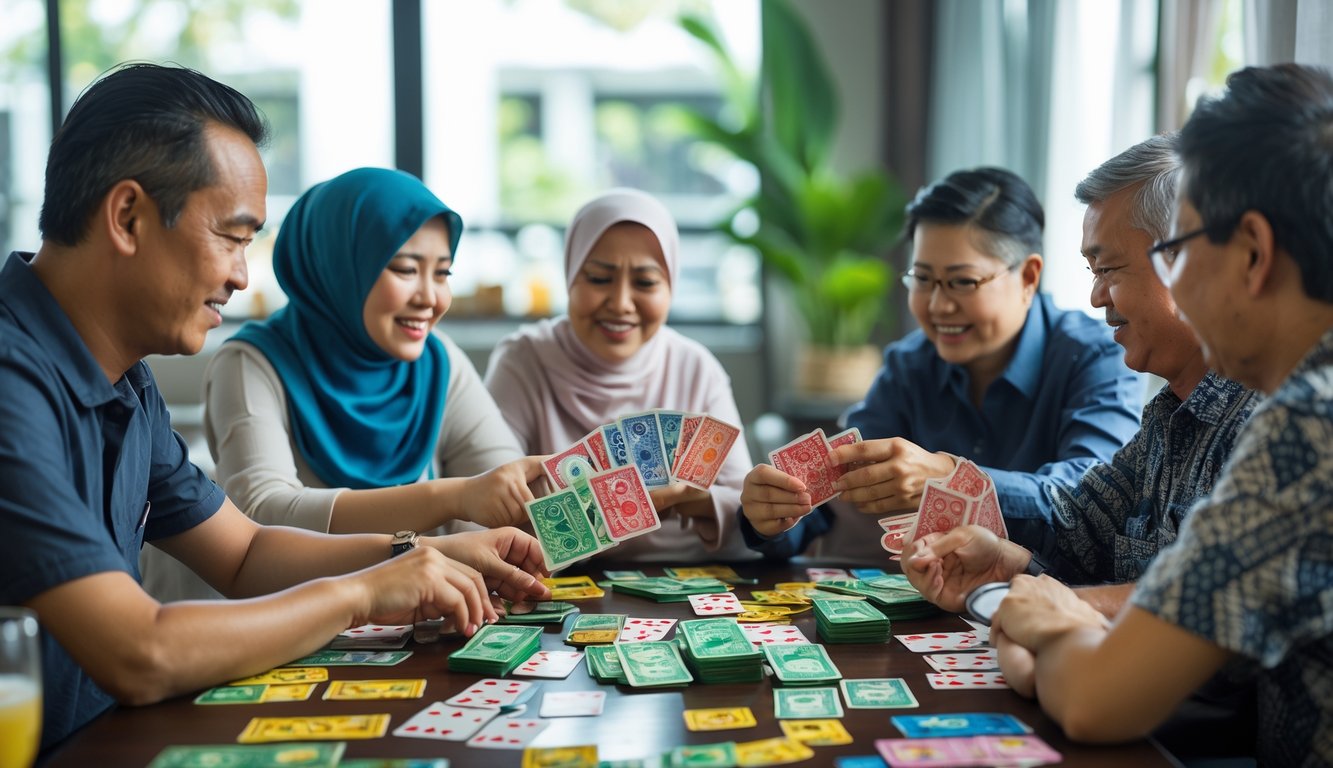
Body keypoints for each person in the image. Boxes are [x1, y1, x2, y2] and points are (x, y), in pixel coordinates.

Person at [0, 63, 548, 753]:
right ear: (129, 216)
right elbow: (140, 652)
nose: (240, 275)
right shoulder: (11, 380)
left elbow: (245, 551)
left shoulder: (127, 382)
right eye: (231, 237)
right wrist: (364, 593)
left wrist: (422, 552)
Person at [982, 64, 1333, 766]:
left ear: (1253, 252)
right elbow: (1084, 525)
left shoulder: (1308, 428)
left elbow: (1094, 700)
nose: (1172, 281)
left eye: (1175, 249)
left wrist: (1042, 632)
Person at [141, 167, 543, 602]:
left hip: (410, 622)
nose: (430, 298)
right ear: (337, 265)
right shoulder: (252, 363)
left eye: (442, 273)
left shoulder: (438, 362)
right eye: (406, 269)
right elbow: (263, 515)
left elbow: (505, 497)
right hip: (280, 622)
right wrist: (455, 497)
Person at [903, 135, 1259, 615]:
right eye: (1091, 271)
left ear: (1193, 264)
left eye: (1108, 269)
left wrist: (1052, 604)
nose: (1096, 297)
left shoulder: (1271, 419)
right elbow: (1079, 526)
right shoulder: (1168, 414)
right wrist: (1008, 567)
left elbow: (1218, 604)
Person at [741, 167, 1142, 562]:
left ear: (1028, 276)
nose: (937, 306)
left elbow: (1091, 499)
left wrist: (952, 478)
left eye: (962, 282)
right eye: (923, 279)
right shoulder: (911, 363)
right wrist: (771, 516)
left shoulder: (1099, 355)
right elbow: (824, 503)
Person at [484, 188, 757, 562]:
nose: (621, 303)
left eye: (645, 283)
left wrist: (693, 500)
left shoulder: (695, 366)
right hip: (556, 585)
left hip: (688, 580)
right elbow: (489, 504)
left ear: (670, 287)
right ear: (570, 277)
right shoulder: (524, 359)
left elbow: (746, 507)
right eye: (598, 279)